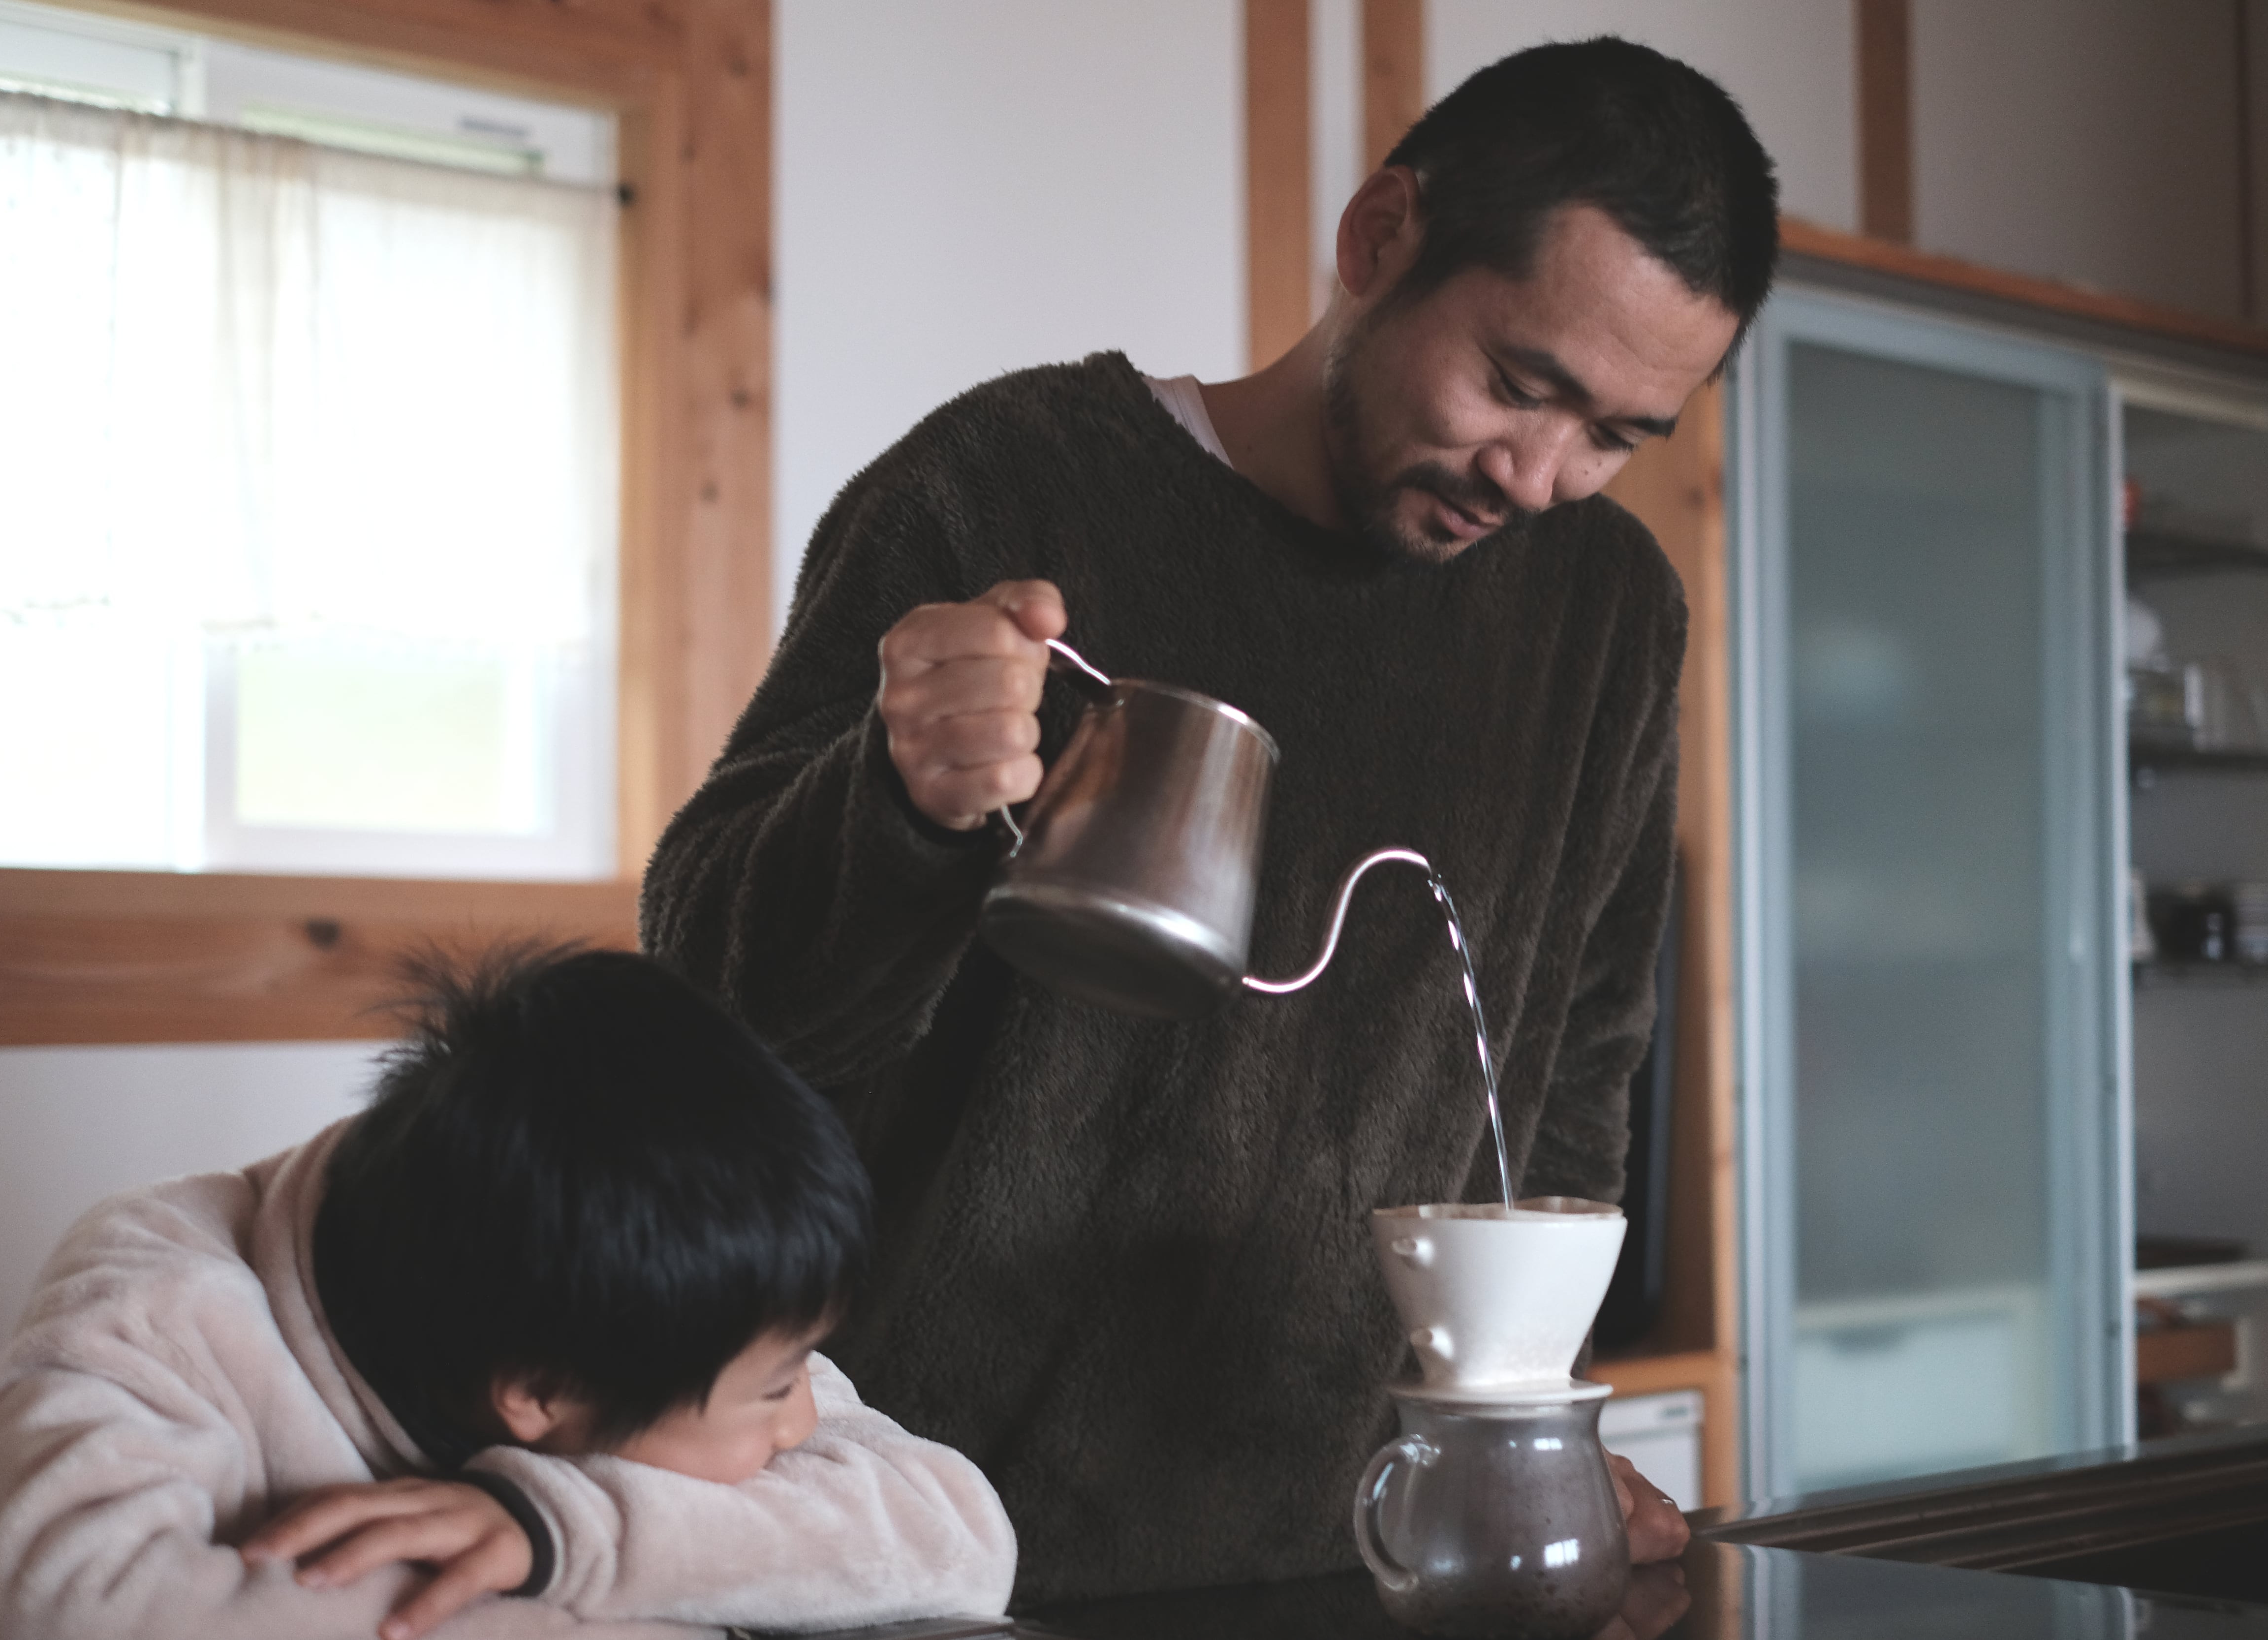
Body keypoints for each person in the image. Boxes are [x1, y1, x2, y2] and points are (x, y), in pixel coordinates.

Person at [639, 37, 1777, 1604]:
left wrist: (1525, 1414)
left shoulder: (1610, 615)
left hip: (1346, 1545)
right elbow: (709, 1002)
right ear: (1380, 240)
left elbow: (1573, 1065)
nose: (1539, 472)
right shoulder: (1011, 487)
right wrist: (896, 796)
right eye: (1521, 386)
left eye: (1617, 436)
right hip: (907, 1529)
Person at [0, 947, 1015, 1640]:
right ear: (538, 1390)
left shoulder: (675, 1297)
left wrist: (550, 1533)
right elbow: (69, 1614)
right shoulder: (158, 1303)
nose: (804, 1421)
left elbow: (959, 1538)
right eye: (773, 1389)